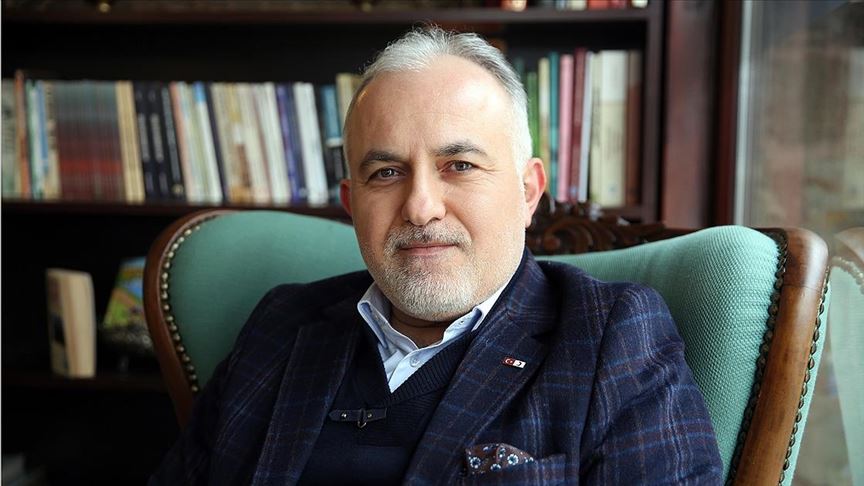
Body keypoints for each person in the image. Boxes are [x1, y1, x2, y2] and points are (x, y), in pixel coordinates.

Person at [151, 26, 722, 485]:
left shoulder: (611, 337)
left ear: (527, 192)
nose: (420, 207)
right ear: (352, 204)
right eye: (386, 173)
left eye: (460, 166)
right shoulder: (281, 324)